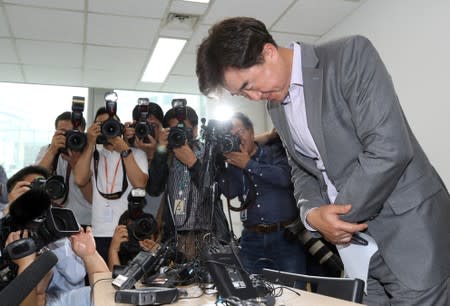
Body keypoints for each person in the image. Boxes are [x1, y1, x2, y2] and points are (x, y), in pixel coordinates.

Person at [196, 17, 450, 305]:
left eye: (249, 85)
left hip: (410, 235)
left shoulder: (349, 56)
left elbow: (389, 149)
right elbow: (301, 170)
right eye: (241, 94)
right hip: (357, 247)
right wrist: (312, 214)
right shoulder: (276, 105)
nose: (253, 97)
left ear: (268, 52)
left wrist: (336, 218)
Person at [218, 112, 307, 277]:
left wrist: (249, 164)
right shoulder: (233, 164)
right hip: (251, 239)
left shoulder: (274, 152)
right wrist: (221, 165)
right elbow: (231, 193)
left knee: (295, 293)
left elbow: (284, 178)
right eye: (232, 136)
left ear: (251, 131)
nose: (238, 138)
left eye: (240, 132)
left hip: (285, 237)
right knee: (250, 291)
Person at [153, 105, 229, 260]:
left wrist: (193, 163)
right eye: (174, 130)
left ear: (195, 130)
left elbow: (217, 190)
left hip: (208, 234)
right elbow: (154, 189)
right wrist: (160, 149)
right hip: (175, 236)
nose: (180, 134)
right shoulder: (166, 155)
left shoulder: (210, 152)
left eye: (184, 129)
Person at [73, 107, 148, 263]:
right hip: (98, 232)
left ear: (119, 127)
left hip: (127, 231)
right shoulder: (94, 155)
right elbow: (80, 179)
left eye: (110, 125)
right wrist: (90, 143)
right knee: (99, 281)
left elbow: (139, 184)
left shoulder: (136, 153)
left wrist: (124, 150)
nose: (106, 129)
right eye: (100, 125)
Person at [5, 165, 87, 299]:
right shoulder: (7, 222)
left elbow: (76, 275)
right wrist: (11, 211)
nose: (37, 196)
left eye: (43, 187)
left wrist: (51, 232)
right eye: (30, 190)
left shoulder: (62, 219)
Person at [35, 111, 92, 226]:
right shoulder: (48, 150)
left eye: (73, 133)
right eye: (63, 133)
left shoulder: (91, 155)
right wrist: (52, 151)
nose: (69, 137)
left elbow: (93, 197)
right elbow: (35, 179)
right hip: (54, 220)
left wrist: (76, 163)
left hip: (85, 221)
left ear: (83, 134)